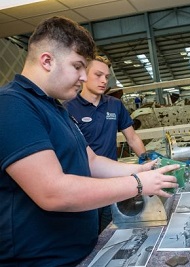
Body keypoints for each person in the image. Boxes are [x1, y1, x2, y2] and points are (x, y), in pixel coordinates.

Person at [0, 16, 178, 266]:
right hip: (39, 260)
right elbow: (52, 192)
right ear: (47, 60)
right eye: (77, 66)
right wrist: (137, 183)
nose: (84, 77)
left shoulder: (56, 107)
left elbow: (91, 160)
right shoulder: (12, 105)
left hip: (80, 251)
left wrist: (141, 169)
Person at [64, 56, 146, 233]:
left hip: (112, 183)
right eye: (98, 75)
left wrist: (146, 161)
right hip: (85, 185)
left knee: (111, 230)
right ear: (84, 75)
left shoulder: (114, 105)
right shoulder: (68, 107)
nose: (103, 81)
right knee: (89, 233)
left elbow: (132, 138)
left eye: (106, 77)